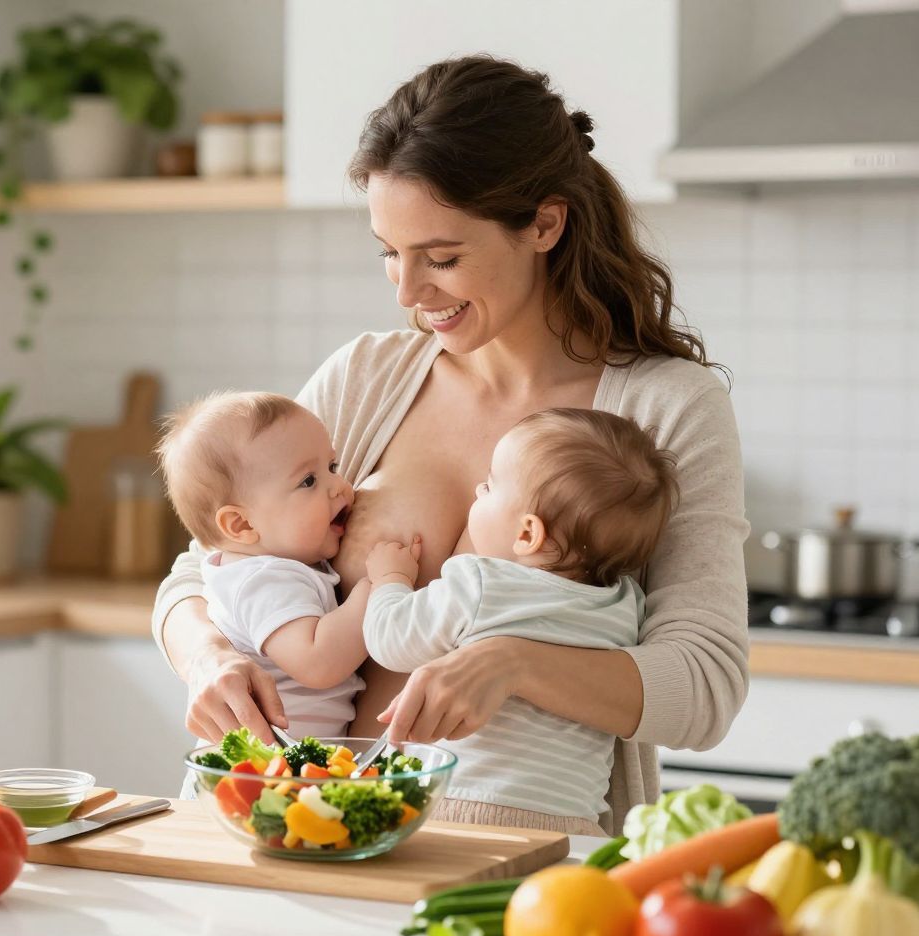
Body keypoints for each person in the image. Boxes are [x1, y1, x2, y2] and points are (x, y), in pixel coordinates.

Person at [154, 55, 750, 835]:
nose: (409, 292)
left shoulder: (665, 408)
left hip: (517, 859)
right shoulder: (367, 377)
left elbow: (704, 685)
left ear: (545, 224)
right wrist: (207, 657)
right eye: (389, 253)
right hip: (297, 830)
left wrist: (515, 663)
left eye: (441, 258)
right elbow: (204, 568)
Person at [362, 408, 679, 835]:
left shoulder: (480, 583)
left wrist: (390, 580)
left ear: (527, 534)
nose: (477, 489)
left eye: (490, 486)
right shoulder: (626, 608)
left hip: (460, 805)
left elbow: (390, 639)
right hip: (574, 822)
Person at [155, 391, 367, 738]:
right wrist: (378, 587)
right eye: (309, 481)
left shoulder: (272, 565)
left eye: (332, 467)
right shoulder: (263, 580)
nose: (340, 487)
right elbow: (318, 661)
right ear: (242, 525)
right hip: (267, 766)